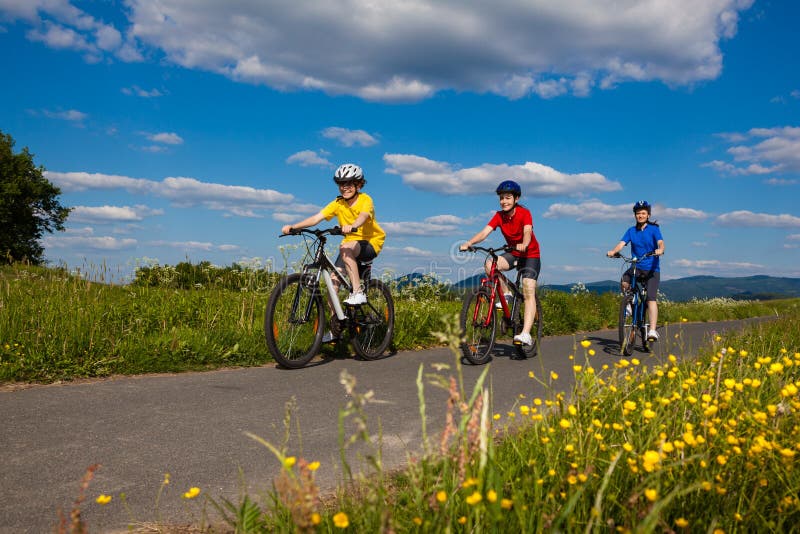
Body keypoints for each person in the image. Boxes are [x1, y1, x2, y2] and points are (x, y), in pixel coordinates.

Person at [281, 163, 386, 342]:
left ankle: (358, 292)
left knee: (345, 248)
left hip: (370, 243)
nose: (344, 187)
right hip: (349, 247)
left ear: (358, 184)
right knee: (332, 285)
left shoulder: (365, 200)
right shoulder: (338, 203)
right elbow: (316, 218)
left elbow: (363, 217)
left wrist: (353, 226)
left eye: (349, 183)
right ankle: (337, 327)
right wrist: (293, 227)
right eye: (341, 183)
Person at [460, 180, 541, 349]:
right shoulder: (499, 216)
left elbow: (527, 232)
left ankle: (525, 333)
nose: (504, 201)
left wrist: (524, 243)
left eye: (508, 198)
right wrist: (469, 243)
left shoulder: (524, 213)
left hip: (530, 254)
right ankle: (506, 295)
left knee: (527, 289)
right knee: (490, 264)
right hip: (513, 252)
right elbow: (484, 232)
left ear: (516, 199)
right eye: (502, 198)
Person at [606, 200, 665, 342]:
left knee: (651, 299)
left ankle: (652, 330)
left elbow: (660, 242)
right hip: (636, 267)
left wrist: (660, 250)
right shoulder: (631, 231)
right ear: (635, 215)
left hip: (652, 269)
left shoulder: (654, 229)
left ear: (648, 215)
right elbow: (621, 244)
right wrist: (614, 251)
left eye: (643, 213)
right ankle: (630, 305)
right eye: (638, 213)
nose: (640, 215)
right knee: (624, 282)